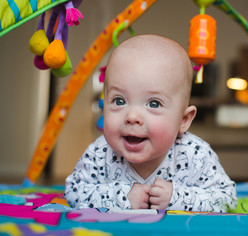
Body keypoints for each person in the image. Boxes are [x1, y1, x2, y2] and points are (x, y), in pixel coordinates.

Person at [65, 34, 237, 212]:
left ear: (183, 120)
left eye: (153, 104)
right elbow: (74, 191)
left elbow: (226, 199)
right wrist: (122, 196)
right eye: (119, 101)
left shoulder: (195, 155)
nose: (132, 116)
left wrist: (176, 197)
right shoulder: (100, 153)